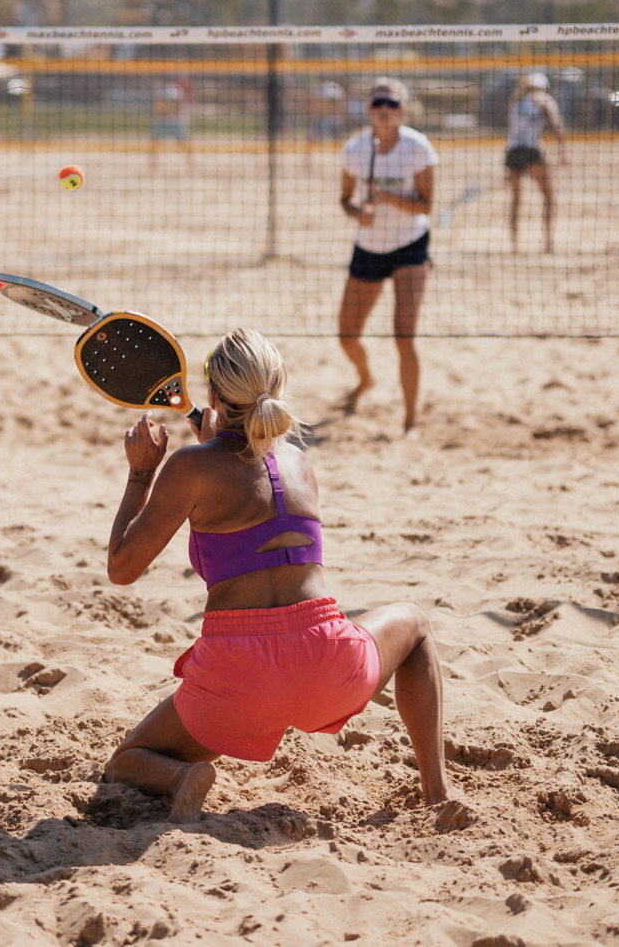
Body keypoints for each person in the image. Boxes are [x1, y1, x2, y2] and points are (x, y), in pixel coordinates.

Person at [102, 329, 456, 825]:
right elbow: (251, 473)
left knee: (126, 763)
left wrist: (141, 474)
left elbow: (122, 568)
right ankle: (437, 792)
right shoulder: (299, 463)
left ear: (213, 395)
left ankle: (183, 778)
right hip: (329, 669)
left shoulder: (189, 468)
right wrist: (215, 443)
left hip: (238, 682)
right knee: (415, 624)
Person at [337, 78, 437, 435]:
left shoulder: (418, 148)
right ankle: (365, 380)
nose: (384, 109)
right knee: (346, 335)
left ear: (403, 111)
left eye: (392, 104)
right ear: (369, 109)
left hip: (410, 245)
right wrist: (356, 212)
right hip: (368, 245)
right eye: (379, 102)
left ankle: (410, 421)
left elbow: (427, 205)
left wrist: (389, 198)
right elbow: (345, 200)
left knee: (403, 335)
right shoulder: (354, 150)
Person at [505, 71, 567, 254]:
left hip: (513, 152)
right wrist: (563, 153)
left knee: (515, 200)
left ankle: (514, 246)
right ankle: (548, 243)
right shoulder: (544, 99)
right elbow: (557, 126)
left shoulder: (516, 101)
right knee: (549, 197)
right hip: (531, 151)